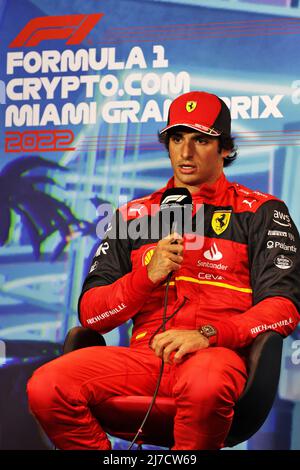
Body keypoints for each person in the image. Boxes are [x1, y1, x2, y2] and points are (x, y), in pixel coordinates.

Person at [27, 91, 300, 450]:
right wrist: (146, 276)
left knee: (205, 383)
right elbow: (93, 316)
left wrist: (207, 334)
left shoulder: (262, 211)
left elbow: (284, 309)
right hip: (143, 359)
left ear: (225, 148)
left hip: (217, 356)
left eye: (200, 139)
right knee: (46, 386)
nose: (185, 152)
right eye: (177, 138)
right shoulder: (132, 216)